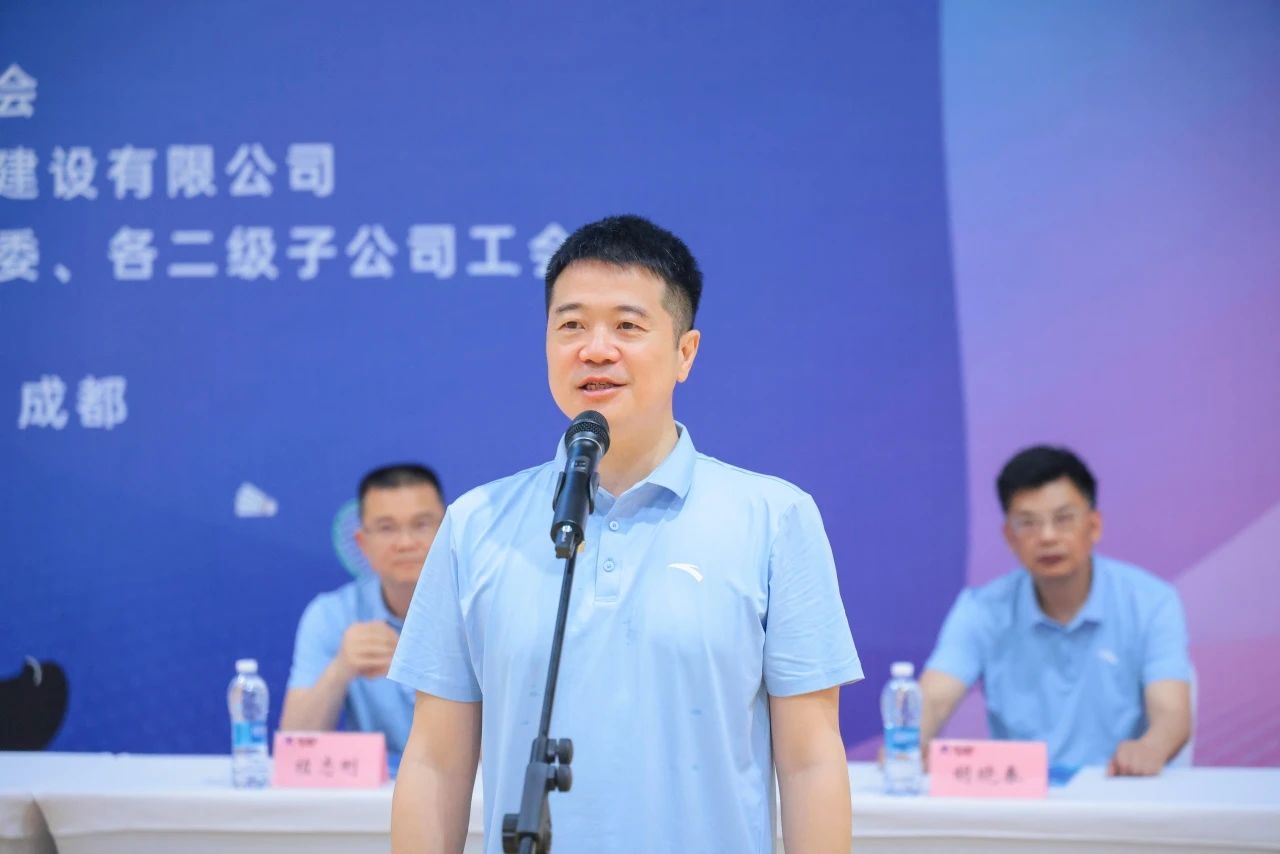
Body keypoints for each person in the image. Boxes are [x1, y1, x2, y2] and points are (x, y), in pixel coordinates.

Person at [388, 215, 862, 853]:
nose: (595, 349)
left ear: (685, 353)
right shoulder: (476, 524)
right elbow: (434, 762)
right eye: (571, 325)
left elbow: (810, 762)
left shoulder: (774, 518)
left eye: (628, 326)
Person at [920, 445, 1192, 775]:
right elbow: (935, 699)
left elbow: (1171, 712)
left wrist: (1150, 748)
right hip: (1018, 794)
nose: (1047, 537)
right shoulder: (981, 609)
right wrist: (908, 740)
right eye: (1028, 523)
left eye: (1063, 519)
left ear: (1094, 525)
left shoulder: (1151, 602)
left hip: (1117, 788)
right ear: (1009, 536)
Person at [280, 464, 446, 771]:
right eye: (386, 528)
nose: (405, 543)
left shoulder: (483, 611)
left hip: (471, 789)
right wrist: (340, 670)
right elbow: (294, 747)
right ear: (362, 543)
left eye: (422, 525)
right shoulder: (333, 614)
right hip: (371, 794)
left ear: (448, 531)